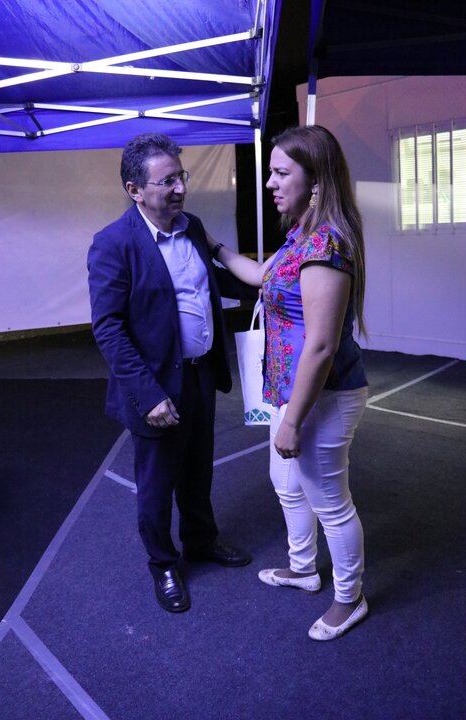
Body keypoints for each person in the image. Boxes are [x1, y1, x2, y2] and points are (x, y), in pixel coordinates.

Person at [206, 125, 368, 640]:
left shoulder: (326, 245)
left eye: (281, 173)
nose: (270, 183)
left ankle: (351, 598)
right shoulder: (300, 235)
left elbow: (320, 346)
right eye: (270, 172)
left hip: (324, 395)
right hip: (291, 392)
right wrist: (212, 245)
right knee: (286, 484)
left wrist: (293, 422)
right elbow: (259, 276)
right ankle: (303, 569)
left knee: (329, 501)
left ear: (316, 181)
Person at [87, 133, 254, 614]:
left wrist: (272, 283)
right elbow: (109, 328)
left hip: (200, 375)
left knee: (198, 468)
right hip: (155, 386)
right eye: (167, 181)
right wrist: (149, 395)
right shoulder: (113, 244)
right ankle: (163, 562)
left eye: (182, 176)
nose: (180, 188)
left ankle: (201, 541)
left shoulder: (192, 226)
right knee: (157, 483)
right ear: (135, 190)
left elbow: (209, 282)